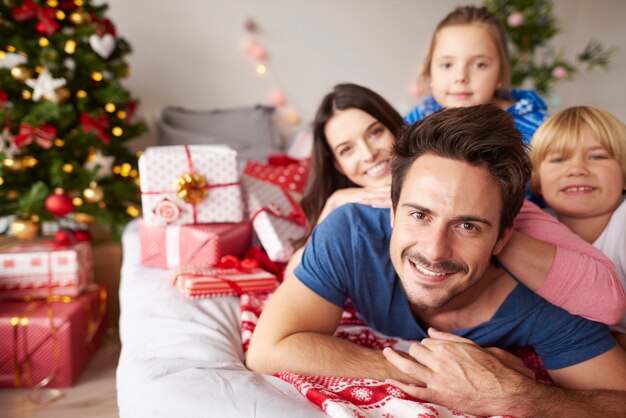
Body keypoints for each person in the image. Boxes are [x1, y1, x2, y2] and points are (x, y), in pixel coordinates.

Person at [247, 105, 626, 417]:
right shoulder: (350, 231)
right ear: (391, 211)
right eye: (419, 215)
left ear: (502, 237)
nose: (434, 251)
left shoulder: (543, 298)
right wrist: (435, 372)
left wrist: (522, 393)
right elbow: (268, 348)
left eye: (467, 226)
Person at [289, 83, 623, 325]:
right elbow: (292, 290)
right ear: (337, 166)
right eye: (347, 149)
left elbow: (608, 301)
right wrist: (329, 212)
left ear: (400, 129)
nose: (368, 153)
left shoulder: (492, 198)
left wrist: (484, 232)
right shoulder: (343, 217)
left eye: (375, 133)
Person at [530, 106, 626, 350]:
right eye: (559, 159)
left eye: (597, 157)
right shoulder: (533, 228)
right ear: (537, 180)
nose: (576, 169)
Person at [404, 5, 546, 144]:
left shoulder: (536, 130)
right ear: (429, 72)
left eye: (479, 65)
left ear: (500, 72)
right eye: (447, 65)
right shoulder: (420, 116)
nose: (460, 77)